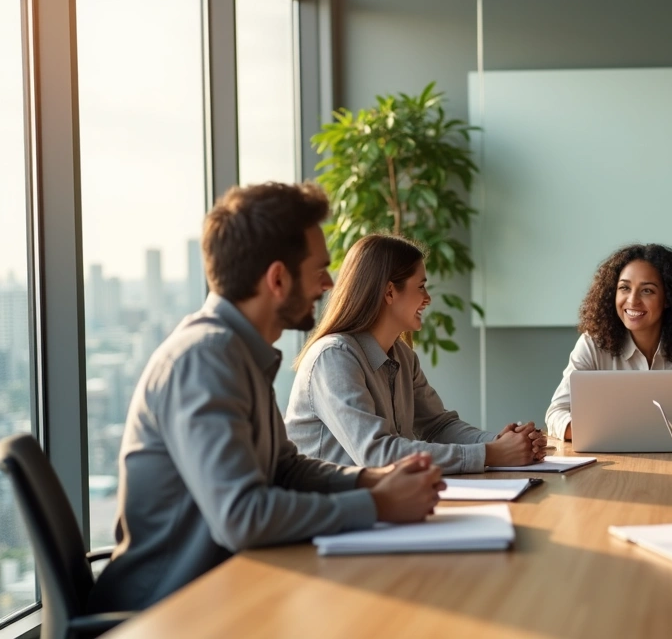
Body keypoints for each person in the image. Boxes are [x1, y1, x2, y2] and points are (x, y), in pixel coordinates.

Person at [90, 183, 446, 612]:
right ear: (278, 279)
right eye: (319, 269)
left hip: (225, 591)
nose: (329, 283)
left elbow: (284, 468)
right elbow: (242, 516)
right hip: (169, 611)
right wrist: (377, 503)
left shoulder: (238, 353)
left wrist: (371, 479)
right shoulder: (205, 360)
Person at [286, 234, 545, 474]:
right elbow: (376, 453)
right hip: (332, 514)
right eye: (421, 286)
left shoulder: (403, 356)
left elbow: (438, 426)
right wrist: (490, 454)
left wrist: (503, 442)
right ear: (389, 292)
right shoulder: (334, 357)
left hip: (380, 504)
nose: (428, 298)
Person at [545, 244, 672, 442]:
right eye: (624, 288)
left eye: (647, 291)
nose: (632, 301)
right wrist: (637, 433)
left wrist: (667, 432)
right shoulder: (592, 342)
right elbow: (556, 413)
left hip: (671, 461)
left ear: (668, 299)